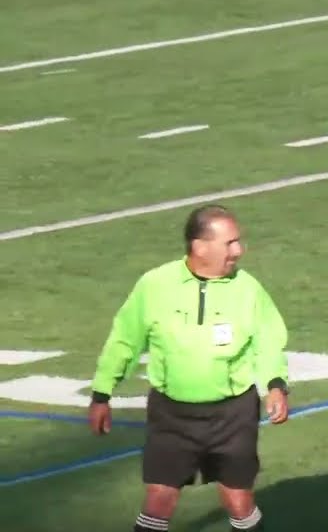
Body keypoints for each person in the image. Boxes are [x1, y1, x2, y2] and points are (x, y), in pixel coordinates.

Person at [87, 204, 291, 532]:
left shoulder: (247, 288)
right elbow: (124, 340)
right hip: (172, 415)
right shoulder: (154, 285)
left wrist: (276, 384)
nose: (239, 251)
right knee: (159, 499)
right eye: (230, 243)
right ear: (200, 247)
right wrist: (102, 393)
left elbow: (267, 340)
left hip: (232, 415)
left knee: (238, 501)